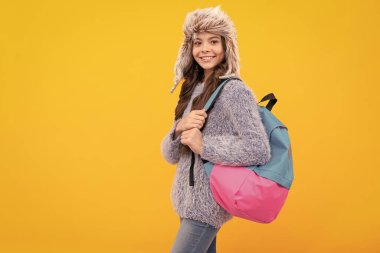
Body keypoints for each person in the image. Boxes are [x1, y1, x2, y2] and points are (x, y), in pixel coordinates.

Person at [160, 6, 271, 253]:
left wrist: (205, 145)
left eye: (213, 41)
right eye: (198, 42)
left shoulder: (234, 91)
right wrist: (178, 128)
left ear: (225, 46)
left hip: (208, 204)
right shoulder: (192, 89)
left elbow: (258, 149)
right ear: (189, 48)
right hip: (185, 201)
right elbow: (170, 155)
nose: (205, 49)